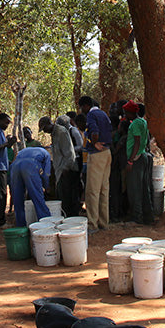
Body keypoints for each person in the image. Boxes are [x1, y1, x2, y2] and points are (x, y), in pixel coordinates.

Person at [78, 95, 113, 231]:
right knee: (104, 189)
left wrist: (95, 142)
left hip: (97, 154)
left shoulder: (91, 115)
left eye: (82, 108)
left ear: (86, 106)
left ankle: (92, 223)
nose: (82, 111)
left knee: (92, 190)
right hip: (107, 153)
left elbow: (94, 131)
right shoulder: (103, 114)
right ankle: (104, 222)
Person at [39, 116, 81, 217]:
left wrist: (66, 169)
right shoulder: (54, 134)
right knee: (63, 198)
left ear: (50, 123)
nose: (45, 131)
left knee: (68, 199)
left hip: (66, 170)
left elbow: (69, 153)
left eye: (45, 128)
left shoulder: (61, 132)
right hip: (60, 170)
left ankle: (70, 219)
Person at [123, 100, 154, 225]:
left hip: (136, 159)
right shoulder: (143, 122)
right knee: (144, 188)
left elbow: (136, 142)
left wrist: (130, 161)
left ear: (131, 112)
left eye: (126, 112)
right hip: (143, 156)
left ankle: (137, 217)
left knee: (134, 189)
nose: (124, 115)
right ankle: (148, 216)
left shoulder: (135, 124)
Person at [9, 147, 51, 227]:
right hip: (30, 165)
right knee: (38, 197)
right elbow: (46, 174)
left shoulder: (26, 151)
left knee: (18, 199)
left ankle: (20, 227)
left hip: (15, 166)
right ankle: (46, 225)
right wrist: (46, 186)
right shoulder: (46, 154)